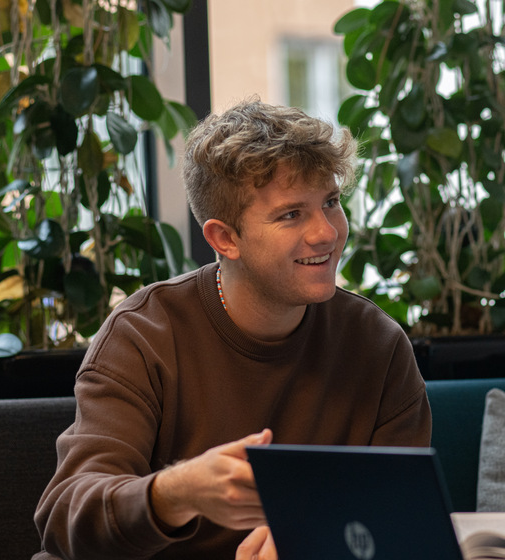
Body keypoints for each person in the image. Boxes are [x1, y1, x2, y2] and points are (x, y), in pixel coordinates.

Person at [32, 100, 432, 560]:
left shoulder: (377, 346)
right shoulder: (143, 334)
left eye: (330, 202)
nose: (327, 232)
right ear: (224, 238)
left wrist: (316, 534)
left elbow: (403, 515)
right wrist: (175, 493)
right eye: (290, 214)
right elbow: (64, 518)